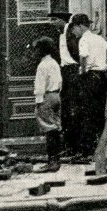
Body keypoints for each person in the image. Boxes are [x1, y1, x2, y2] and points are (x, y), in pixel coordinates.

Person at [70, 13, 107, 158]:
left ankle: (87, 150)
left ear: (79, 26)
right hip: (101, 78)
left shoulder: (84, 39)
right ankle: (101, 148)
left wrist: (83, 71)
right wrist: (104, 68)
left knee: (87, 113)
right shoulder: (98, 38)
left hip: (89, 78)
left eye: (74, 28)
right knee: (99, 113)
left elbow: (83, 56)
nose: (74, 31)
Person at [48, 11, 80, 158]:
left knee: (72, 108)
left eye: (54, 20)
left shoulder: (70, 32)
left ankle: (74, 147)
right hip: (65, 71)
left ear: (62, 20)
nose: (52, 23)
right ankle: (69, 146)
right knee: (66, 109)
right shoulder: (61, 34)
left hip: (72, 71)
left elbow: (77, 53)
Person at [32, 36, 62, 173]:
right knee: (55, 128)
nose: (35, 52)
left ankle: (52, 162)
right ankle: (56, 159)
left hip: (46, 97)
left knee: (49, 130)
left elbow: (39, 87)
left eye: (37, 49)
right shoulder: (54, 63)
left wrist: (39, 104)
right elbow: (60, 82)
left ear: (41, 50)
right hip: (56, 95)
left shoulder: (42, 65)